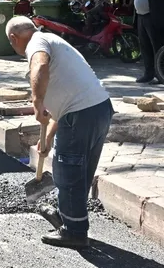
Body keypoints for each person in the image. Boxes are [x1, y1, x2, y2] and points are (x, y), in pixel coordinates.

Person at [6, 16, 113, 249]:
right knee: (80, 171)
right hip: (98, 109)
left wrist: (37, 102)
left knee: (67, 172)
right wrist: (49, 137)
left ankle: (74, 232)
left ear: (14, 38)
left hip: (80, 113)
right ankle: (69, 217)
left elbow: (40, 65)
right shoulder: (52, 39)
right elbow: (61, 106)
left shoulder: (36, 43)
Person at [134, 0, 164, 83]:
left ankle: (160, 74)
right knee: (144, 46)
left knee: (157, 46)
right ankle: (148, 74)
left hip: (154, 17)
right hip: (141, 17)